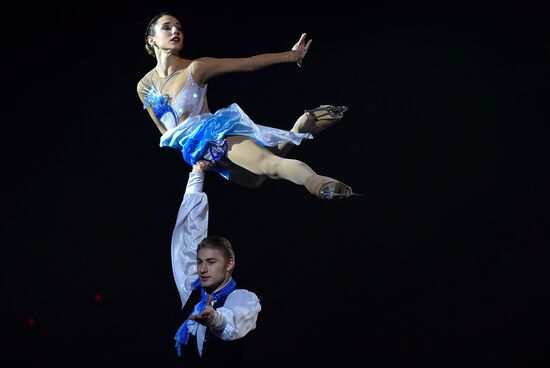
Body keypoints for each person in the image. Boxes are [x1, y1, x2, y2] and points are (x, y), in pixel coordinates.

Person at [137, 12, 358, 200]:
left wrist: (291, 55)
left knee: (269, 165)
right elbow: (164, 132)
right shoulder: (144, 86)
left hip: (216, 135)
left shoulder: (195, 68)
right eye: (167, 28)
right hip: (199, 152)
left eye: (179, 28)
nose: (175, 31)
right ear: (151, 40)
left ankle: (318, 184)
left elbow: (248, 64)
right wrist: (193, 156)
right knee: (256, 179)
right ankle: (300, 128)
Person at [170, 160, 261, 367]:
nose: (202, 269)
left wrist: (215, 319)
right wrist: (197, 173)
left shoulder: (242, 298)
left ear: (229, 264)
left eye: (211, 262)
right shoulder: (192, 291)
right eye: (200, 262)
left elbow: (234, 321)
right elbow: (188, 235)